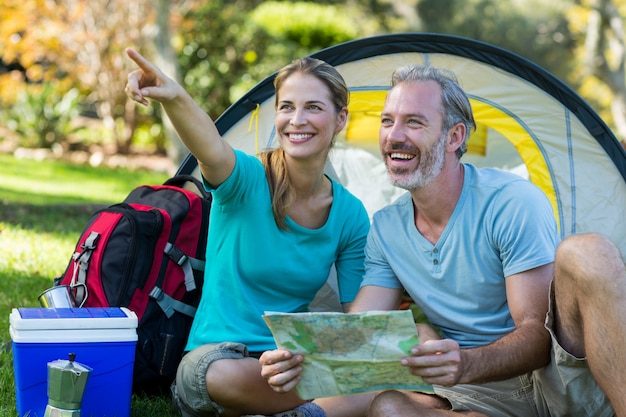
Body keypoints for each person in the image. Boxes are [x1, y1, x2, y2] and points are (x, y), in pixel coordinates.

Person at [260, 65, 626, 417]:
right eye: (387, 121)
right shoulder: (387, 230)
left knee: (587, 251)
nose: (394, 136)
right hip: (479, 395)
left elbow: (536, 335)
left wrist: (465, 363)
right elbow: (362, 332)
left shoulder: (512, 201)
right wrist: (297, 358)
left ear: (455, 137)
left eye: (414, 122)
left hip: (557, 377)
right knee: (387, 407)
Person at [125, 49, 375, 417]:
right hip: (216, 362)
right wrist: (175, 96)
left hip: (289, 365)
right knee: (218, 375)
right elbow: (210, 147)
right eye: (286, 107)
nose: (296, 120)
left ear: (340, 119)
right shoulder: (247, 179)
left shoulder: (350, 213)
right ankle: (320, 409)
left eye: (313, 107)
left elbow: (357, 317)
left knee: (383, 368)